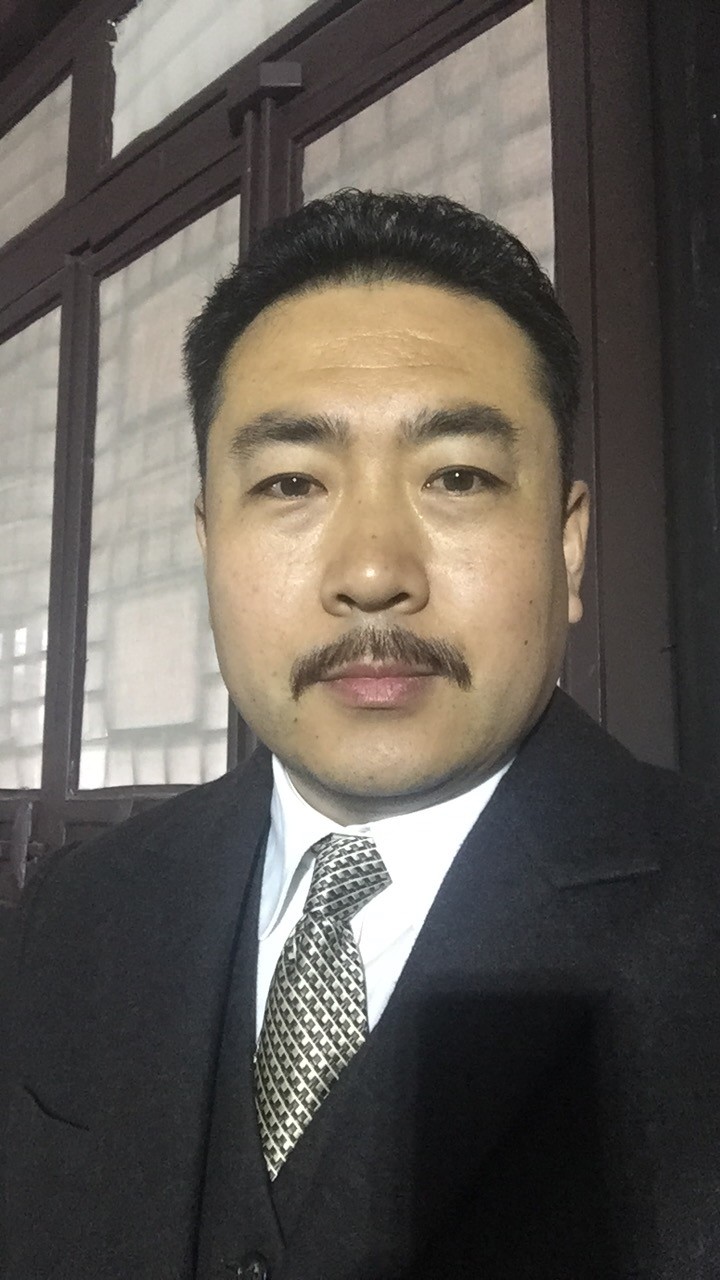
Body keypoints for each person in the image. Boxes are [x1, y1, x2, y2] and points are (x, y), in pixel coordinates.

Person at [2, 189, 719, 1280]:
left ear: (568, 546)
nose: (375, 571)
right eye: (291, 482)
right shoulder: (78, 909)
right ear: (209, 541)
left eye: (458, 477)